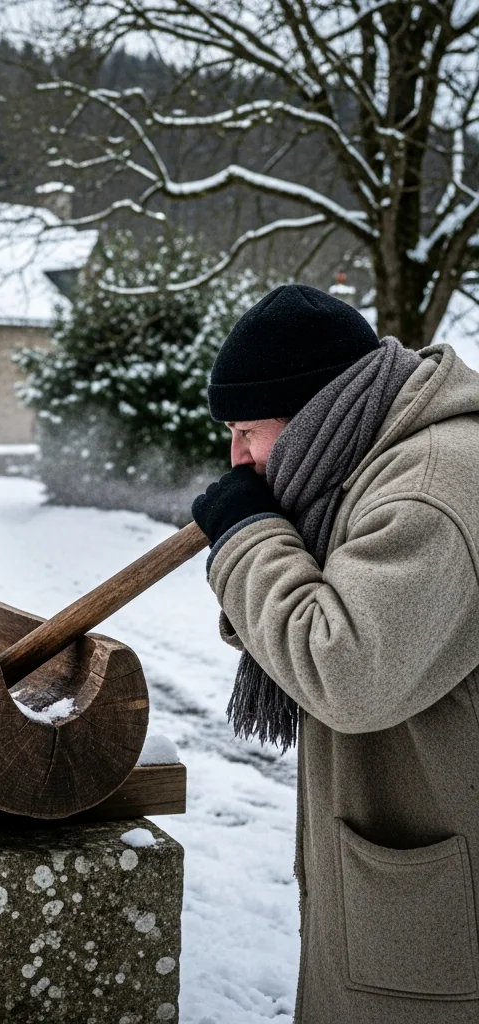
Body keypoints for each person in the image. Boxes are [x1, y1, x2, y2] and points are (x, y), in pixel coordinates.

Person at [191, 283, 479, 1023]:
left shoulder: (427, 495)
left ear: (314, 414)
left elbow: (343, 669)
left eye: (247, 430)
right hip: (410, 893)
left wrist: (248, 535)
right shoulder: (372, 462)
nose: (238, 457)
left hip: (444, 935)